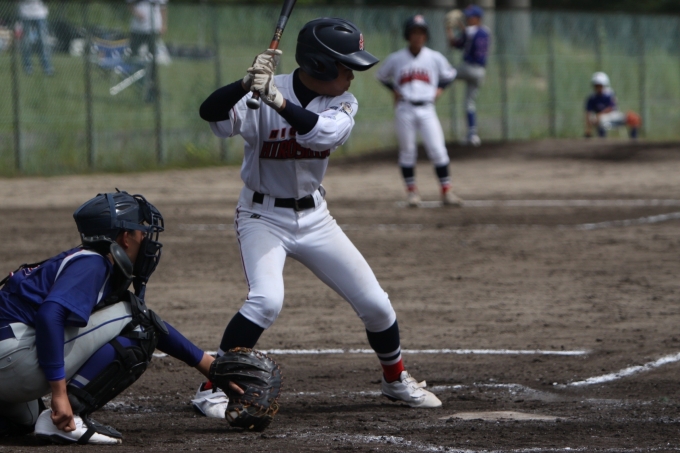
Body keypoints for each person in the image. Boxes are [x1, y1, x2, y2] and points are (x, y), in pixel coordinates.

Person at [196, 17, 442, 416]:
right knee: (266, 301)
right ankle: (211, 387)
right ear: (320, 65)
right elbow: (210, 114)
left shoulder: (342, 102)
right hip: (261, 217)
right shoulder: (262, 91)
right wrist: (244, 85)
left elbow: (322, 134)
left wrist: (277, 102)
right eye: (346, 67)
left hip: (316, 219)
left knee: (377, 305)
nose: (352, 76)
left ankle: (395, 380)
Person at [0, 191, 233, 445]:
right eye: (140, 230)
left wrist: (212, 368)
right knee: (139, 324)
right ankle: (71, 417)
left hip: (8, 360)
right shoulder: (93, 264)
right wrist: (59, 393)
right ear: (125, 238)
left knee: (26, 419)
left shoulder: (83, 260)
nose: (145, 237)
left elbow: (156, 326)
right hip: (11, 360)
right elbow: (49, 316)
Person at [376, 14, 463, 208]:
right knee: (407, 152)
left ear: (426, 35)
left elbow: (450, 74)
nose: (418, 36)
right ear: (408, 35)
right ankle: (412, 193)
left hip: (427, 108)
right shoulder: (396, 58)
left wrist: (439, 89)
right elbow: (381, 75)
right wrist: (394, 90)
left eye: (421, 32)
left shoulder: (434, 57)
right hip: (404, 108)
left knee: (438, 150)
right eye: (414, 32)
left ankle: (446, 191)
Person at [446, 4, 491, 146]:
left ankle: (430, 92)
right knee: (469, 104)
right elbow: (466, 37)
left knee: (445, 73)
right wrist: (460, 26)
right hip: (481, 72)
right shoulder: (486, 31)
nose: (468, 19)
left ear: (478, 18)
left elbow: (454, 43)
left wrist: (449, 28)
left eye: (470, 17)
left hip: (469, 68)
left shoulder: (470, 31)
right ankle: (473, 135)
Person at [584, 71, 640, 139]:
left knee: (633, 118)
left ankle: (634, 141)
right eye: (596, 85)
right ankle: (601, 141)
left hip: (613, 115)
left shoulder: (609, 94)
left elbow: (611, 108)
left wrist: (599, 115)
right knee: (600, 120)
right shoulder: (592, 97)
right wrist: (588, 128)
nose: (598, 87)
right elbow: (588, 113)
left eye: (600, 85)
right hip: (600, 119)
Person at [18, 0, 54, 76]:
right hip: (25, 14)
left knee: (43, 41)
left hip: (40, 14)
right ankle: (28, 67)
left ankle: (47, 67)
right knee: (26, 42)